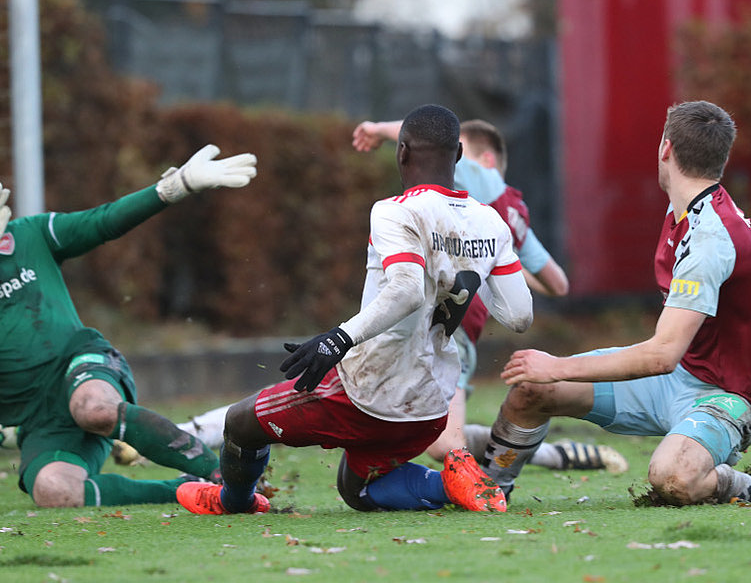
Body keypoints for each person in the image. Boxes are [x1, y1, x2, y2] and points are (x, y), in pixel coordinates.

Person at [175, 104, 534, 515]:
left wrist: (338, 340)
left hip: (367, 393)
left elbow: (406, 290)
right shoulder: (490, 222)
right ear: (457, 155)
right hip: (433, 405)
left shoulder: (395, 210)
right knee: (357, 490)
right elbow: (520, 316)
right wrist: (461, 273)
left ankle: (232, 501)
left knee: (240, 424)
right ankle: (451, 483)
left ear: (401, 152)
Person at [0, 142, 257, 507]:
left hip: (82, 367)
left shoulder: (32, 234)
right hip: (37, 417)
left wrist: (175, 187)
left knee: (93, 407)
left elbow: (104, 221)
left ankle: (225, 474)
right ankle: (186, 489)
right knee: (52, 490)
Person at [482, 100, 751, 505]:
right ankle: (487, 491)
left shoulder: (710, 238)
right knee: (533, 389)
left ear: (666, 149)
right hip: (674, 380)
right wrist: (550, 374)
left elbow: (661, 355)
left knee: (673, 477)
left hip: (726, 395)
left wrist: (559, 366)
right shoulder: (687, 211)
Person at [351, 117, 628, 474]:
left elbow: (426, 133)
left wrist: (375, 129)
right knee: (418, 430)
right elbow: (557, 284)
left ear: (483, 159)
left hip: (447, 326)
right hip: (448, 323)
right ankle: (549, 454)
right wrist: (497, 265)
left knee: (443, 445)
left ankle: (540, 457)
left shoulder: (483, 176)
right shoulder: (513, 213)